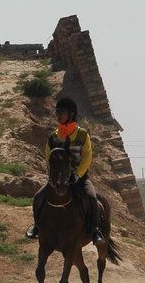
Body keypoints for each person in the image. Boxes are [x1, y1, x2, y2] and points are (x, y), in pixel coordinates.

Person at [26, 97, 106, 247]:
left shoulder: (82, 135)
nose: (58, 116)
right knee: (38, 197)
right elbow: (48, 156)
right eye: (57, 112)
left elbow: (87, 157)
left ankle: (95, 231)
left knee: (91, 197)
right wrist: (54, 174)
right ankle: (37, 227)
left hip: (79, 178)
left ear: (71, 114)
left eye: (61, 113)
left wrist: (77, 174)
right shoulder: (54, 136)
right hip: (59, 178)